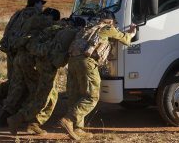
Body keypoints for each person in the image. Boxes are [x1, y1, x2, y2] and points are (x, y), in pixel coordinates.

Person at [59, 10, 137, 140]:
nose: (115, 25)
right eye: (114, 22)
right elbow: (125, 39)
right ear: (109, 21)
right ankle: (68, 119)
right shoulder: (107, 28)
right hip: (87, 62)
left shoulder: (86, 28)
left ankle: (78, 128)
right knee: (92, 96)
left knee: (77, 94)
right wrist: (132, 32)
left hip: (73, 62)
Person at [7, 20, 78, 135]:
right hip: (48, 65)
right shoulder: (69, 32)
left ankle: (34, 123)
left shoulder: (54, 28)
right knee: (45, 97)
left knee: (47, 95)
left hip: (41, 62)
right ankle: (18, 119)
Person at [0, 0, 46, 120]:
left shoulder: (18, 13)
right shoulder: (35, 15)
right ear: (35, 4)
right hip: (21, 50)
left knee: (15, 79)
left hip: (10, 48)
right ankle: (11, 110)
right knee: (19, 81)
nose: (42, 6)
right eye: (41, 3)